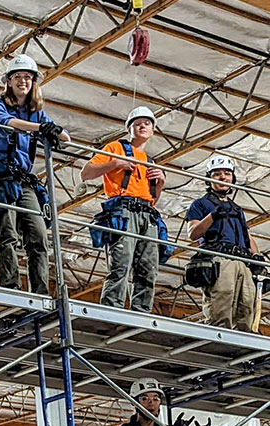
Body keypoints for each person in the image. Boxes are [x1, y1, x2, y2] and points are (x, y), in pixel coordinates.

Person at [0, 54, 69, 295]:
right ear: (9, 81)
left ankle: (40, 291)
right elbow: (7, 122)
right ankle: (11, 288)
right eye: (18, 77)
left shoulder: (36, 112)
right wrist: (42, 129)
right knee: (7, 232)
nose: (23, 81)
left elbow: (65, 138)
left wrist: (52, 130)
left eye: (27, 77)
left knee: (38, 235)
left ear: (33, 81)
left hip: (23, 180)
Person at [81, 106, 168, 312]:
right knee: (121, 262)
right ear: (129, 129)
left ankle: (142, 312)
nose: (142, 126)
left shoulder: (150, 161)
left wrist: (161, 182)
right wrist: (114, 164)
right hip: (124, 210)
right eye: (137, 124)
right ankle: (113, 309)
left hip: (147, 214)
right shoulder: (115, 148)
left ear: (153, 129)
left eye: (147, 123)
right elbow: (86, 173)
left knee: (148, 267)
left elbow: (152, 198)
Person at [186, 154, 259, 331]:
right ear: (209, 178)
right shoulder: (201, 204)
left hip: (242, 261)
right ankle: (218, 341)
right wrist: (214, 215)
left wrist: (257, 258)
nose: (223, 177)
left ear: (233, 177)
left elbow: (247, 236)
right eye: (217, 174)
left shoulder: (236, 209)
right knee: (222, 303)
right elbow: (192, 234)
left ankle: (243, 347)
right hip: (220, 259)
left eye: (227, 173)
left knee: (247, 305)